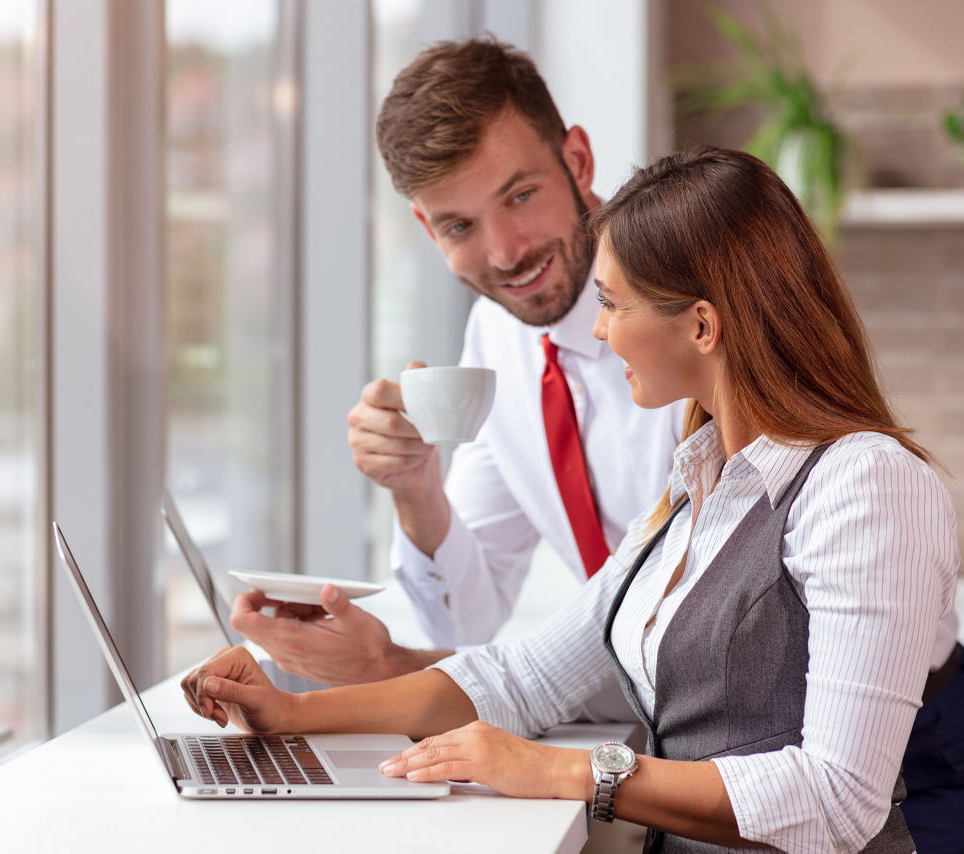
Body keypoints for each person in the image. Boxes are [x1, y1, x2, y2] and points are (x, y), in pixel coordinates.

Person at [185, 147, 961, 853]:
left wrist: (568, 771)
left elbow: (840, 798)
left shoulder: (865, 483)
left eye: (614, 305)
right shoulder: (697, 483)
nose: (597, 327)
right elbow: (521, 678)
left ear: (700, 325)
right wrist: (289, 715)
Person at [232, 38, 683, 722]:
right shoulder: (496, 341)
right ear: (425, 226)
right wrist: (417, 489)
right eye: (459, 225)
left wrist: (389, 672)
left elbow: (694, 642)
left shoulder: (686, 307)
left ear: (578, 161)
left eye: (520, 195)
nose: (505, 253)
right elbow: (463, 622)